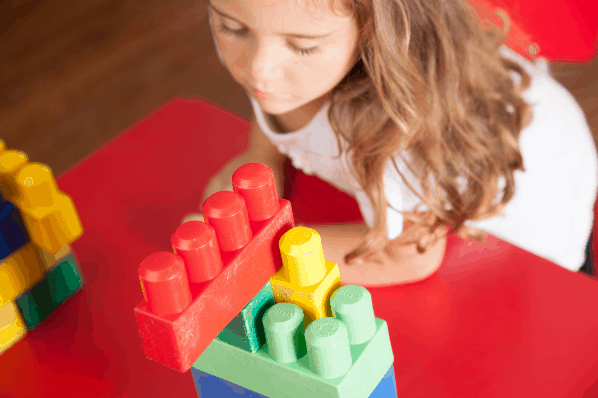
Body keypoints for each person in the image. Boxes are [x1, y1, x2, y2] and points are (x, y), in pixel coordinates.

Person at [183, 0, 598, 286]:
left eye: (302, 46)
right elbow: (273, 104)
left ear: (372, 33)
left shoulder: (400, 127)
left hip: (527, 227)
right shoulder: (291, 60)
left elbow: (410, 255)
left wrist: (255, 259)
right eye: (232, 27)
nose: (259, 70)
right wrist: (261, 158)